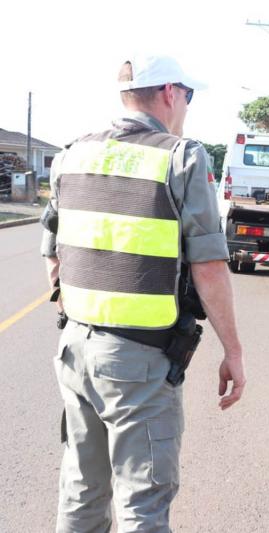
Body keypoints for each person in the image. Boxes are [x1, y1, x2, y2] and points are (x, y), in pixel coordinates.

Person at [40, 55, 246, 532]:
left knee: (81, 492)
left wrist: (83, 305)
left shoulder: (72, 155)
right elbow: (209, 267)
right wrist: (233, 350)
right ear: (170, 93)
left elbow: (52, 254)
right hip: (140, 363)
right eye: (188, 97)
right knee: (143, 505)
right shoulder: (182, 157)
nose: (188, 108)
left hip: (74, 351)